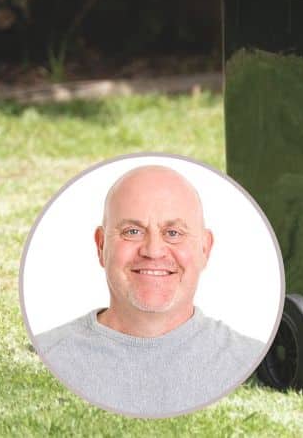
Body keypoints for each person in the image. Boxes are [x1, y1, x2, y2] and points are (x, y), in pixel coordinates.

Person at [32, 165, 265, 417]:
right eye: (133, 232)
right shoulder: (47, 355)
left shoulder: (251, 360)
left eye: (173, 233)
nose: (153, 251)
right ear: (101, 246)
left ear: (205, 249)